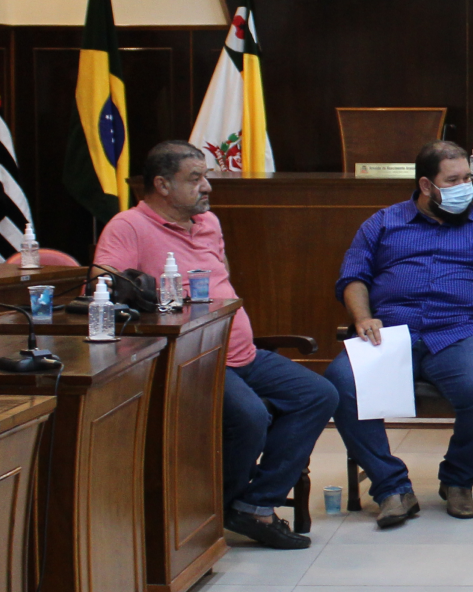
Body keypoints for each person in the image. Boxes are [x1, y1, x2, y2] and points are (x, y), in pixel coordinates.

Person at [95, 141, 335, 551]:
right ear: (162, 185)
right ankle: (211, 509)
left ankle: (253, 504)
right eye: (195, 179)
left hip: (241, 352)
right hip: (193, 358)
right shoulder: (128, 226)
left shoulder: (208, 223)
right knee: (250, 417)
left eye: (206, 176)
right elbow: (104, 287)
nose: (207, 186)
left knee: (318, 395)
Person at [330, 141, 473, 526]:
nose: (466, 187)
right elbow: (354, 277)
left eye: (468, 178)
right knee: (342, 382)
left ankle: (458, 480)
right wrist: (362, 317)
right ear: (427, 186)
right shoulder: (382, 223)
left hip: (460, 332)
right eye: (454, 180)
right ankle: (391, 487)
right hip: (390, 332)